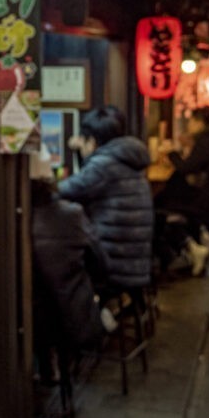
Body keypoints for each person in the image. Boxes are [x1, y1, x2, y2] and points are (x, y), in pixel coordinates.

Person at [58, 105, 154, 290]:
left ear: (92, 142)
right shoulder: (126, 158)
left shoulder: (103, 165)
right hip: (135, 263)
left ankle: (89, 317)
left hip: (113, 266)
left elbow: (63, 190)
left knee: (59, 267)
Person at [31, 168, 112, 383]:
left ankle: (48, 368)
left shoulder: (17, 223)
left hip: (34, 330)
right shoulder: (73, 214)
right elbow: (101, 262)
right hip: (77, 317)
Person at [155, 106, 209, 275]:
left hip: (207, 202)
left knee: (160, 207)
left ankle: (189, 244)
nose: (188, 125)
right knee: (169, 195)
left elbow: (185, 168)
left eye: (191, 121)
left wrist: (171, 153)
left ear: (199, 124)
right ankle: (196, 240)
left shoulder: (206, 142)